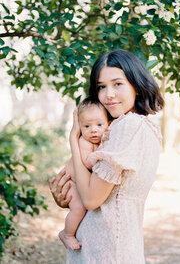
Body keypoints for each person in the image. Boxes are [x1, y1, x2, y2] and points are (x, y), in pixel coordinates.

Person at [49, 49, 164, 264]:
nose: (108, 94)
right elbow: (97, 194)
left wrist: (74, 140)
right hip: (112, 246)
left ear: (136, 85)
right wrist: (69, 199)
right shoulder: (140, 126)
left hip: (107, 250)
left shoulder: (128, 126)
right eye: (101, 87)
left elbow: (92, 199)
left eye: (117, 84)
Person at [52, 97, 109, 250]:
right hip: (70, 182)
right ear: (79, 128)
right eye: (87, 126)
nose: (94, 130)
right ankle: (67, 234)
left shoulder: (98, 142)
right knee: (78, 208)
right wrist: (100, 154)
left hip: (78, 181)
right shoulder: (84, 142)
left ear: (108, 124)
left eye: (99, 124)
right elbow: (86, 162)